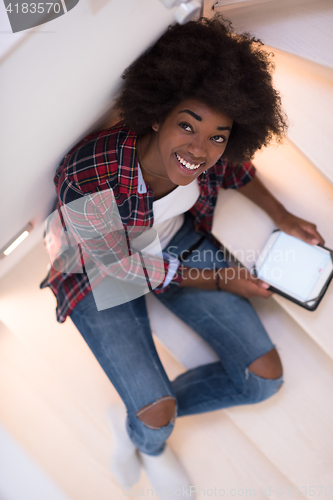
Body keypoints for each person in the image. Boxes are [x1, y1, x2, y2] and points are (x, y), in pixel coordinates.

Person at [40, 15, 325, 499]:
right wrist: (219, 280)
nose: (199, 149)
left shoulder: (212, 156)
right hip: (94, 266)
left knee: (262, 380)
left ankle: (138, 407)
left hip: (170, 241)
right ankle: (146, 438)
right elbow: (119, 268)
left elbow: (237, 170)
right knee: (157, 419)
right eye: (187, 125)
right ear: (157, 114)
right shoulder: (91, 169)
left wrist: (284, 215)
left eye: (217, 136)